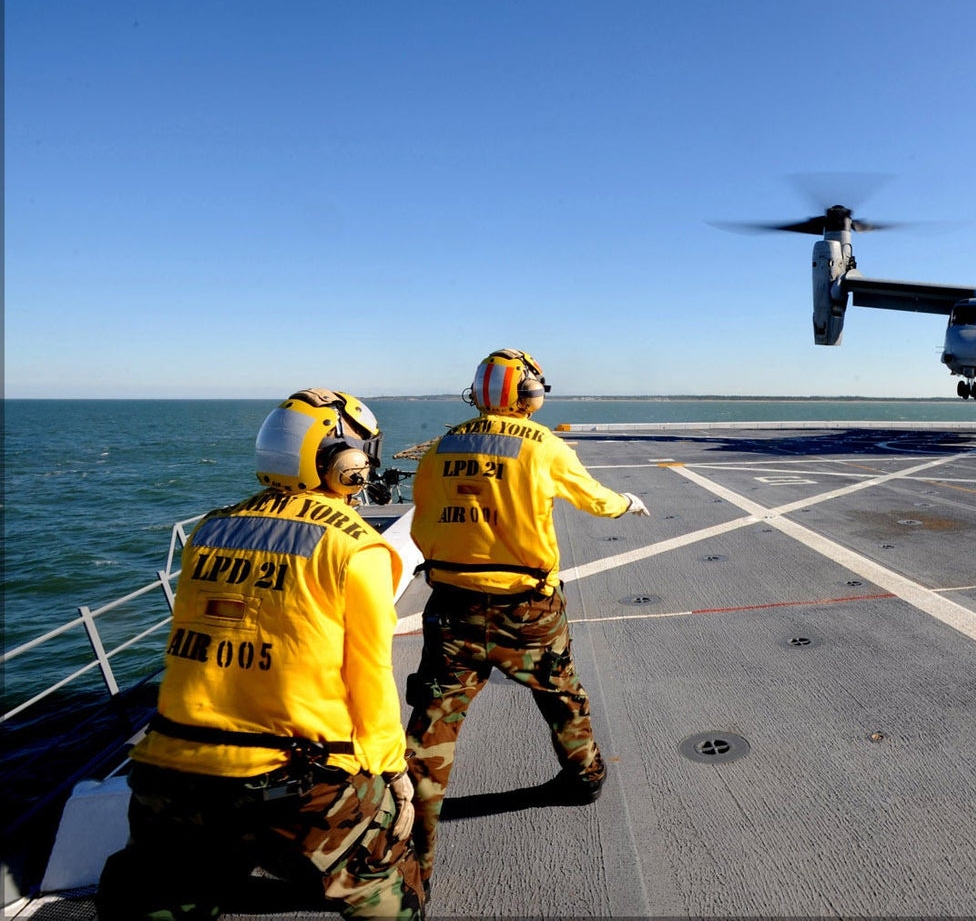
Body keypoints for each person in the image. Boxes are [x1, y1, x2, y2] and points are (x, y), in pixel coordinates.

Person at [97, 389, 425, 920]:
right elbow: (369, 675)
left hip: (174, 768)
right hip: (296, 779)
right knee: (387, 881)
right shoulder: (356, 547)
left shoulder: (210, 529)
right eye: (364, 451)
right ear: (343, 462)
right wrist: (394, 772)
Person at [403, 348, 648, 886]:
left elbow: (422, 519)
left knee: (432, 721)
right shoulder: (544, 446)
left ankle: (407, 861)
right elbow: (593, 499)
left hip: (452, 604)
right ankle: (584, 778)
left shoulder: (441, 446)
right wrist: (626, 502)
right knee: (560, 692)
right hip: (528, 607)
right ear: (528, 394)